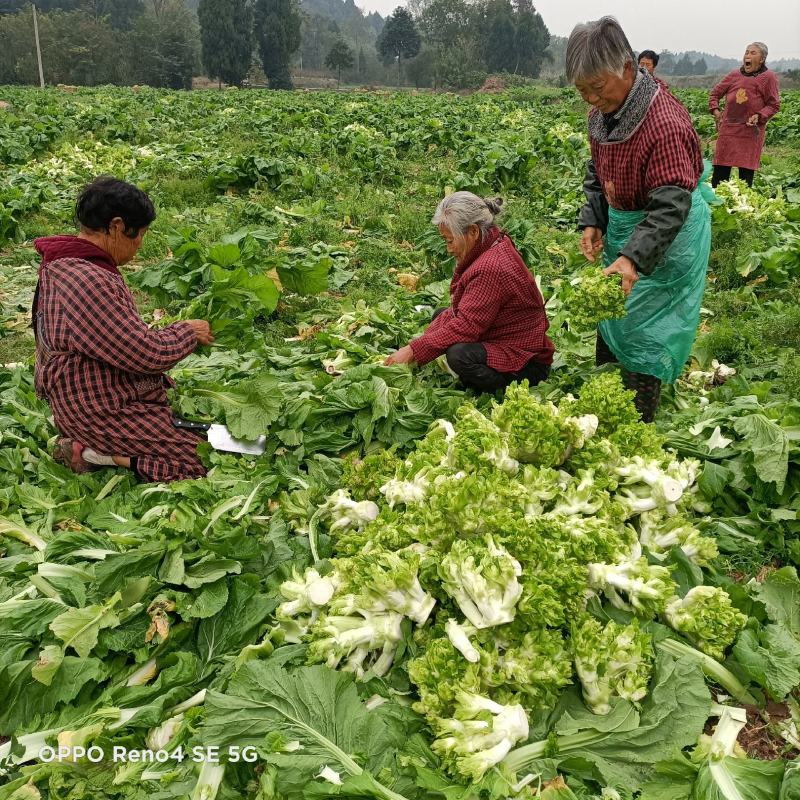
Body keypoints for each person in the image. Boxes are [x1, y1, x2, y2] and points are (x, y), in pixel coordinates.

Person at [568, 16, 710, 422]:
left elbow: (670, 205)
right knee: (613, 314)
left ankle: (637, 425)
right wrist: (593, 218)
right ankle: (604, 406)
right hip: (626, 228)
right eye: (583, 91)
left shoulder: (663, 123)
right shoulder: (601, 116)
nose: (592, 100)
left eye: (598, 88)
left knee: (649, 329)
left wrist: (634, 256)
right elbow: (598, 170)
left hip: (669, 236)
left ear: (628, 68)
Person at [33, 177, 214, 482]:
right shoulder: (87, 280)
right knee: (203, 456)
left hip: (94, 396)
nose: (141, 244)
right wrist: (187, 332)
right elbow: (144, 353)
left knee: (207, 435)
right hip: (98, 412)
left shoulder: (67, 264)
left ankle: (100, 447)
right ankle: (95, 454)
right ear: (117, 227)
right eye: (140, 234)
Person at [384, 192, 553, 393]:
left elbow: (466, 326)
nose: (448, 249)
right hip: (499, 333)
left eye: (449, 241)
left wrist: (414, 351)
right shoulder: (491, 243)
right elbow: (461, 313)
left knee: (459, 355)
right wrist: (419, 345)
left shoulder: (491, 267)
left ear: (473, 231)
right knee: (441, 315)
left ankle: (503, 388)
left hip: (526, 362)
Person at [709, 42, 780, 188]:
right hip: (728, 129)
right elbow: (715, 94)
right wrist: (716, 110)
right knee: (720, 173)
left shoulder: (768, 77)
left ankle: (743, 204)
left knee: (745, 177)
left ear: (762, 59)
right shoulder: (734, 75)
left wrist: (759, 116)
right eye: (747, 52)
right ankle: (717, 201)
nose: (748, 55)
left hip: (750, 131)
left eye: (753, 53)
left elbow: (773, 104)